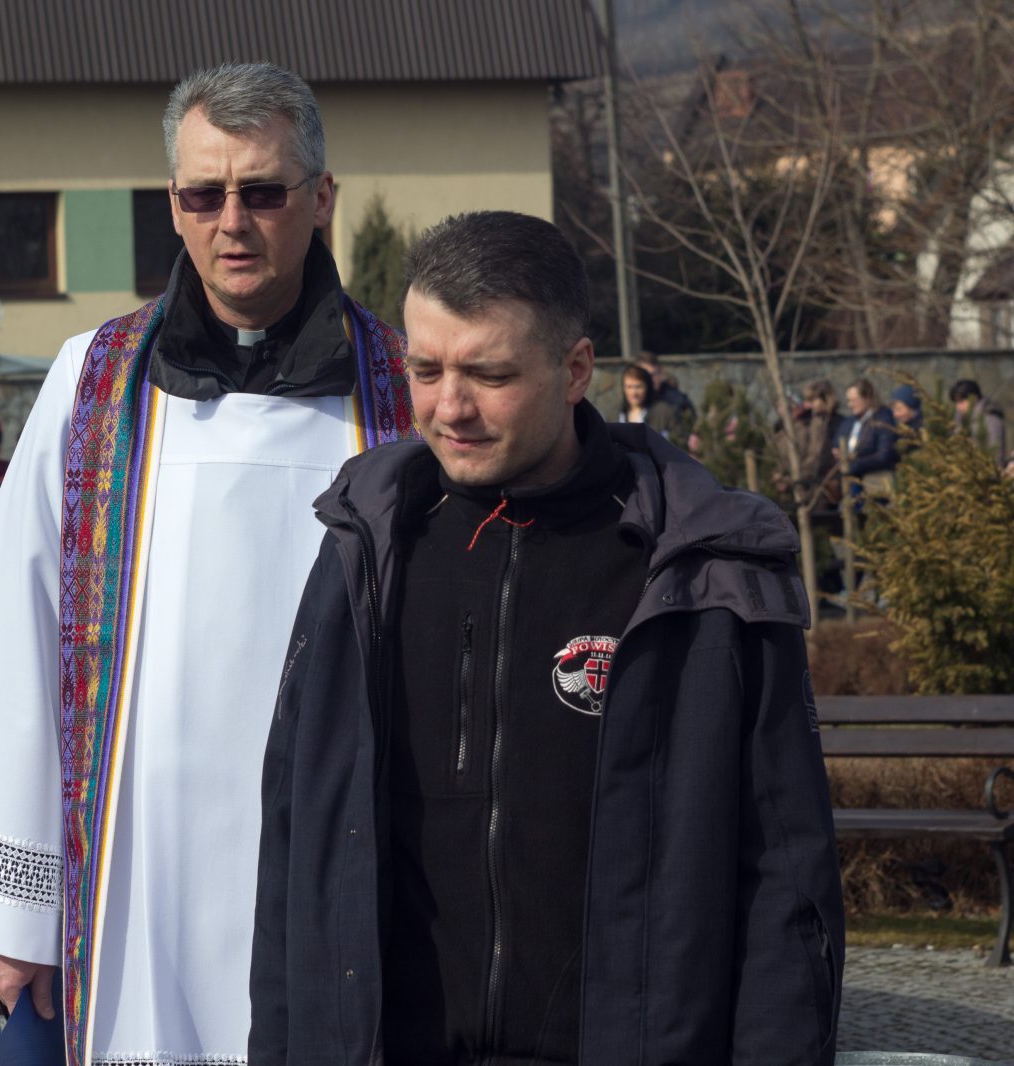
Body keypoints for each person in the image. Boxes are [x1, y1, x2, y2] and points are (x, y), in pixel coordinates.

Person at [0, 62, 417, 1066]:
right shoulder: (96, 383)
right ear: (173, 205)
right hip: (135, 864)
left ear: (322, 199)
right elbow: (14, 628)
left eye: (263, 191)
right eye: (203, 195)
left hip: (344, 845)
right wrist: (15, 910)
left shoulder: (401, 389)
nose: (232, 222)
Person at [249, 211, 844, 1065]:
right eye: (425, 370)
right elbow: (293, 844)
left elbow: (786, 878)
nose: (450, 407)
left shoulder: (702, 568)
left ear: (575, 370)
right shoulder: (364, 549)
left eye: (490, 375)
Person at [776, 378, 842, 510]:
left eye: (812, 400)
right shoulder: (798, 426)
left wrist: (794, 477)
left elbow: (816, 456)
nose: (807, 404)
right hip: (800, 482)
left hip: (820, 484)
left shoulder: (825, 424)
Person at [840, 378, 898, 504]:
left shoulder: (883, 420)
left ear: (867, 398)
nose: (850, 405)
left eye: (854, 400)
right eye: (849, 400)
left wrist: (855, 464)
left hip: (875, 482)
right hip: (855, 481)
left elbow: (884, 455)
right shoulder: (854, 422)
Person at [610, 361, 679, 438]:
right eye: (629, 387)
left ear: (647, 387)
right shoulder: (614, 414)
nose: (634, 393)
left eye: (638, 387)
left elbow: (677, 440)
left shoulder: (664, 412)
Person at [949, 378, 1006, 467]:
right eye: (956, 402)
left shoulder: (991, 418)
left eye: (961, 401)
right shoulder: (959, 420)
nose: (958, 407)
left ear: (974, 398)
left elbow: (996, 454)